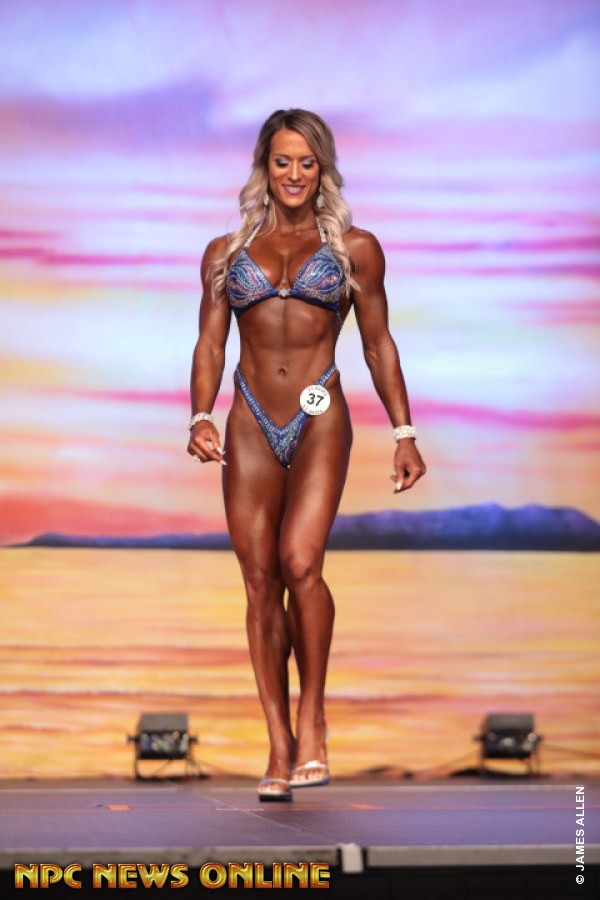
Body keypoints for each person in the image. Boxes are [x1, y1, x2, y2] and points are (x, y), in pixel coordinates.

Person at [187, 109, 426, 801]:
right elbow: (210, 342)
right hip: (249, 418)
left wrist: (404, 431)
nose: (294, 174)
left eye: (307, 162)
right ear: (265, 167)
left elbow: (378, 343)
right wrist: (200, 415)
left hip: (320, 413)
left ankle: (312, 716)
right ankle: (278, 743)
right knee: (260, 582)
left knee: (299, 563)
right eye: (282, 161)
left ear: (323, 170)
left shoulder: (356, 249)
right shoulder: (224, 253)